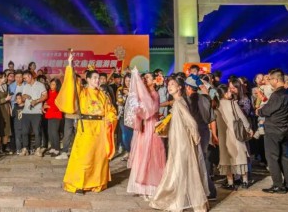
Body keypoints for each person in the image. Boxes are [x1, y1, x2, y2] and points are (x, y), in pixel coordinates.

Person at [55, 51, 118, 194]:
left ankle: (96, 183)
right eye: (94, 78)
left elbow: (110, 110)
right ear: (88, 79)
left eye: (98, 78)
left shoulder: (103, 95)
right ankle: (78, 183)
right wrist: (70, 65)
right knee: (83, 156)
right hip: (86, 128)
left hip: (100, 128)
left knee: (98, 157)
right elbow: (70, 85)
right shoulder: (82, 92)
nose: (97, 80)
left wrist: (110, 118)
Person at [150, 77, 209, 212]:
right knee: (183, 169)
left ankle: (179, 201)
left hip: (182, 142)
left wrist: (195, 135)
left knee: (179, 169)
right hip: (179, 140)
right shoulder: (179, 102)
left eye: (173, 84)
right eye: (168, 84)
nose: (169, 86)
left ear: (179, 87)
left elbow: (191, 121)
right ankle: (185, 201)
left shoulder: (179, 103)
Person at [127, 70, 166, 198]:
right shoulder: (145, 95)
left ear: (154, 81)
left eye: (147, 78)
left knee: (151, 155)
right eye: (144, 78)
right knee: (140, 154)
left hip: (151, 126)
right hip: (143, 127)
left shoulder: (154, 94)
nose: (145, 80)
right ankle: (139, 186)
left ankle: (150, 186)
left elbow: (150, 111)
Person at [258, 69, 288, 193]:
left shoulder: (277, 95)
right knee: (284, 157)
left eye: (270, 79)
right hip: (284, 128)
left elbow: (267, 110)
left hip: (273, 129)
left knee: (272, 158)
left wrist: (259, 111)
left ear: (276, 80)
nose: (269, 81)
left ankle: (278, 185)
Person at [215, 85, 253, 190]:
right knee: (241, 157)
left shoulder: (217, 105)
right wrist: (249, 129)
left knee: (227, 159)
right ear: (224, 94)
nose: (230, 92)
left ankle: (230, 182)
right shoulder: (232, 103)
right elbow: (242, 117)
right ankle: (245, 181)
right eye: (228, 91)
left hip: (223, 136)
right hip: (236, 134)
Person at [20, 70, 48, 156]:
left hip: (36, 112)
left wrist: (37, 101)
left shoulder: (40, 85)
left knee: (37, 131)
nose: (24, 80)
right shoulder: (25, 86)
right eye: (24, 78)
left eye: (25, 78)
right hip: (26, 112)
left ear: (30, 76)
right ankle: (25, 149)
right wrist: (24, 96)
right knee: (24, 131)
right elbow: (23, 98)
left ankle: (38, 149)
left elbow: (45, 96)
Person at [0, 73, 12, 154]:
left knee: (7, 129)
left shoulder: (4, 86)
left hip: (6, 109)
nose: (5, 78)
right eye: (4, 77)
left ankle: (4, 148)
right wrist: (6, 99)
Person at [43, 78, 63, 157]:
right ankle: (53, 147)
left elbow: (58, 106)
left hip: (56, 114)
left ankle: (57, 149)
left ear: (57, 85)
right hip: (49, 114)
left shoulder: (59, 94)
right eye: (51, 84)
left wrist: (48, 106)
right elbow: (47, 101)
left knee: (54, 132)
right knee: (50, 132)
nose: (51, 86)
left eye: (53, 84)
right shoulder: (49, 92)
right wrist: (44, 105)